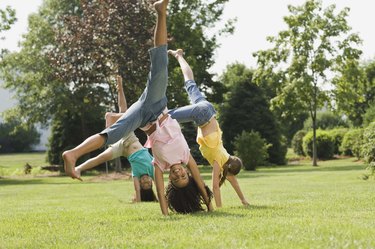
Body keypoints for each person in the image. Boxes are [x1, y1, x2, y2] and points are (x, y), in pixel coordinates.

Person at [62, 0, 212, 215]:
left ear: (172, 179)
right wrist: (208, 204)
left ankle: (73, 154)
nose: (179, 173)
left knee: (111, 135)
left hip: (144, 117)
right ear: (187, 172)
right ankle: (161, 13)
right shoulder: (187, 156)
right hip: (157, 107)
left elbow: (160, 192)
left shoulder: (159, 167)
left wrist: (165, 213)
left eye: (176, 178)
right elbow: (199, 181)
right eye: (184, 175)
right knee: (160, 64)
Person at [168, 48, 250, 208]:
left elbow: (233, 181)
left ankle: (179, 56)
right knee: (165, 116)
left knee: (190, 83)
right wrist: (218, 208)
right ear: (229, 170)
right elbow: (214, 187)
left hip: (208, 109)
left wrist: (243, 200)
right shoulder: (219, 161)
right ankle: (126, 115)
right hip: (201, 115)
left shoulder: (225, 156)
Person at [74, 75, 157, 202]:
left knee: (99, 158)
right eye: (149, 184)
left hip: (121, 148)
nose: (146, 181)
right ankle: (120, 89)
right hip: (130, 140)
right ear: (152, 182)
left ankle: (78, 168)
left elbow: (137, 191)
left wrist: (138, 201)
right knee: (124, 112)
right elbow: (160, 186)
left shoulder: (137, 175)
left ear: (140, 183)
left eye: (143, 184)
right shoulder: (152, 170)